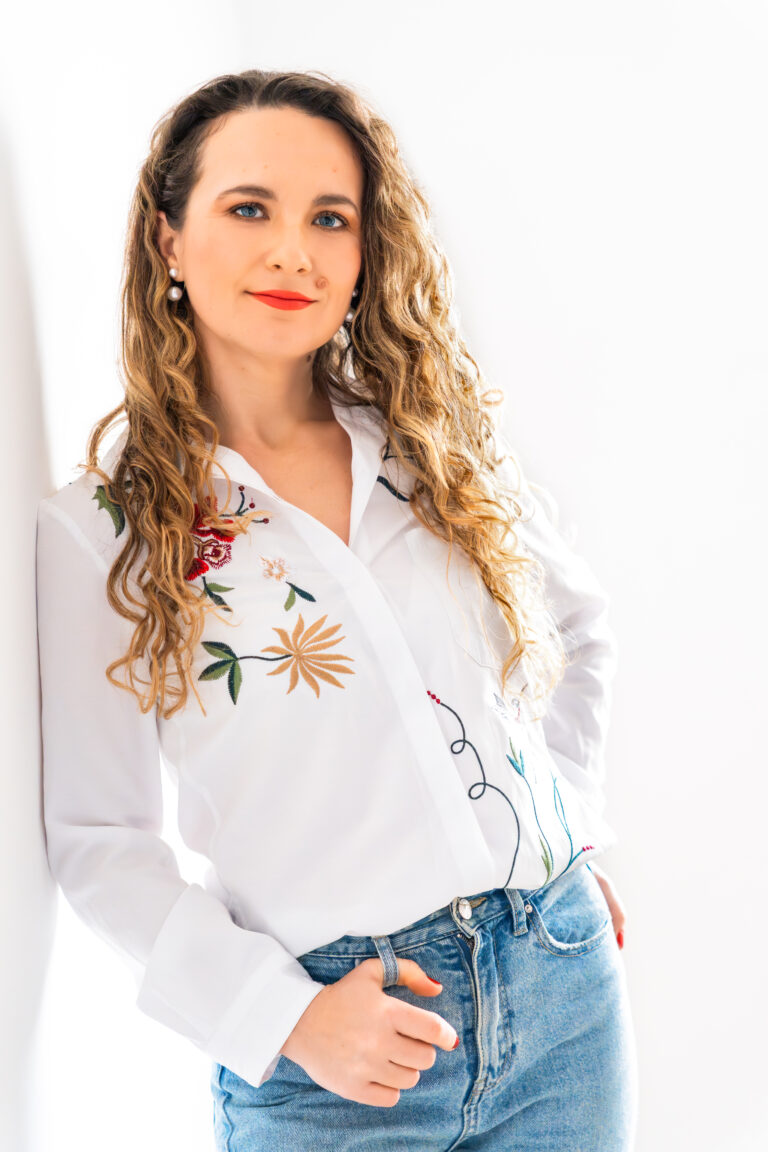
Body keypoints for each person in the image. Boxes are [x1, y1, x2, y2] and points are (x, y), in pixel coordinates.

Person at [35, 68, 638, 1150]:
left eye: (330, 218)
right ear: (169, 239)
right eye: (248, 209)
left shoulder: (431, 447)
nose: (293, 253)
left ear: (366, 253)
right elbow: (100, 842)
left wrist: (569, 837)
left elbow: (576, 630)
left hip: (565, 998)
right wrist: (286, 1019)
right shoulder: (106, 529)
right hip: (334, 1054)